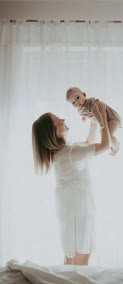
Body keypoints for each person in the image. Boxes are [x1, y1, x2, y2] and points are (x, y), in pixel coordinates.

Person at [32, 102, 109, 265]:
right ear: (54, 131)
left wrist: (94, 123)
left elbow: (88, 143)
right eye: (58, 120)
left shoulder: (63, 153)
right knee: (81, 256)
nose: (62, 119)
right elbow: (104, 146)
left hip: (72, 211)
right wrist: (102, 122)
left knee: (71, 257)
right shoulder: (69, 153)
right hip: (79, 211)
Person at [66, 86, 121, 156]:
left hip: (112, 118)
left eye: (77, 97)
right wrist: (84, 117)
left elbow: (95, 111)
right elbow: (87, 113)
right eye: (73, 102)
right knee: (103, 133)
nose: (77, 102)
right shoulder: (80, 109)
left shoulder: (90, 102)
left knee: (109, 135)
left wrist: (101, 122)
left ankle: (116, 146)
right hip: (106, 120)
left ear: (84, 94)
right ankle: (114, 144)